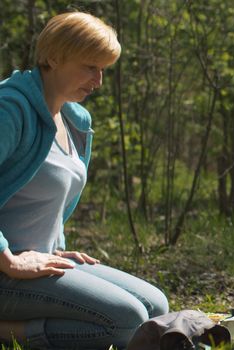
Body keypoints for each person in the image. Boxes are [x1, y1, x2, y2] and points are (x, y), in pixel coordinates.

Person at [0, 12, 168, 349]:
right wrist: (9, 259)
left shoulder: (74, 120)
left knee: (155, 309)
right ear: (53, 58)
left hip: (41, 260)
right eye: (90, 66)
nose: (99, 80)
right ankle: (8, 332)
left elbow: (44, 198)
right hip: (7, 270)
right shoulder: (10, 110)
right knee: (127, 320)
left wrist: (56, 244)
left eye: (103, 69)